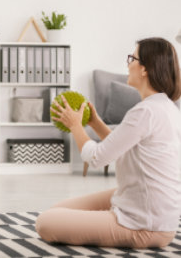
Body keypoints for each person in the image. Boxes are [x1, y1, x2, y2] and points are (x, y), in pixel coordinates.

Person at [36, 37, 181, 248]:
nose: (128, 63)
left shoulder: (145, 111)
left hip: (144, 226)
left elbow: (96, 158)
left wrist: (75, 126)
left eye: (133, 58)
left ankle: (114, 222)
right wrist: (95, 123)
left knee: (45, 222)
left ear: (144, 69)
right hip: (154, 211)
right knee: (57, 209)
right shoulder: (165, 107)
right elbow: (119, 147)